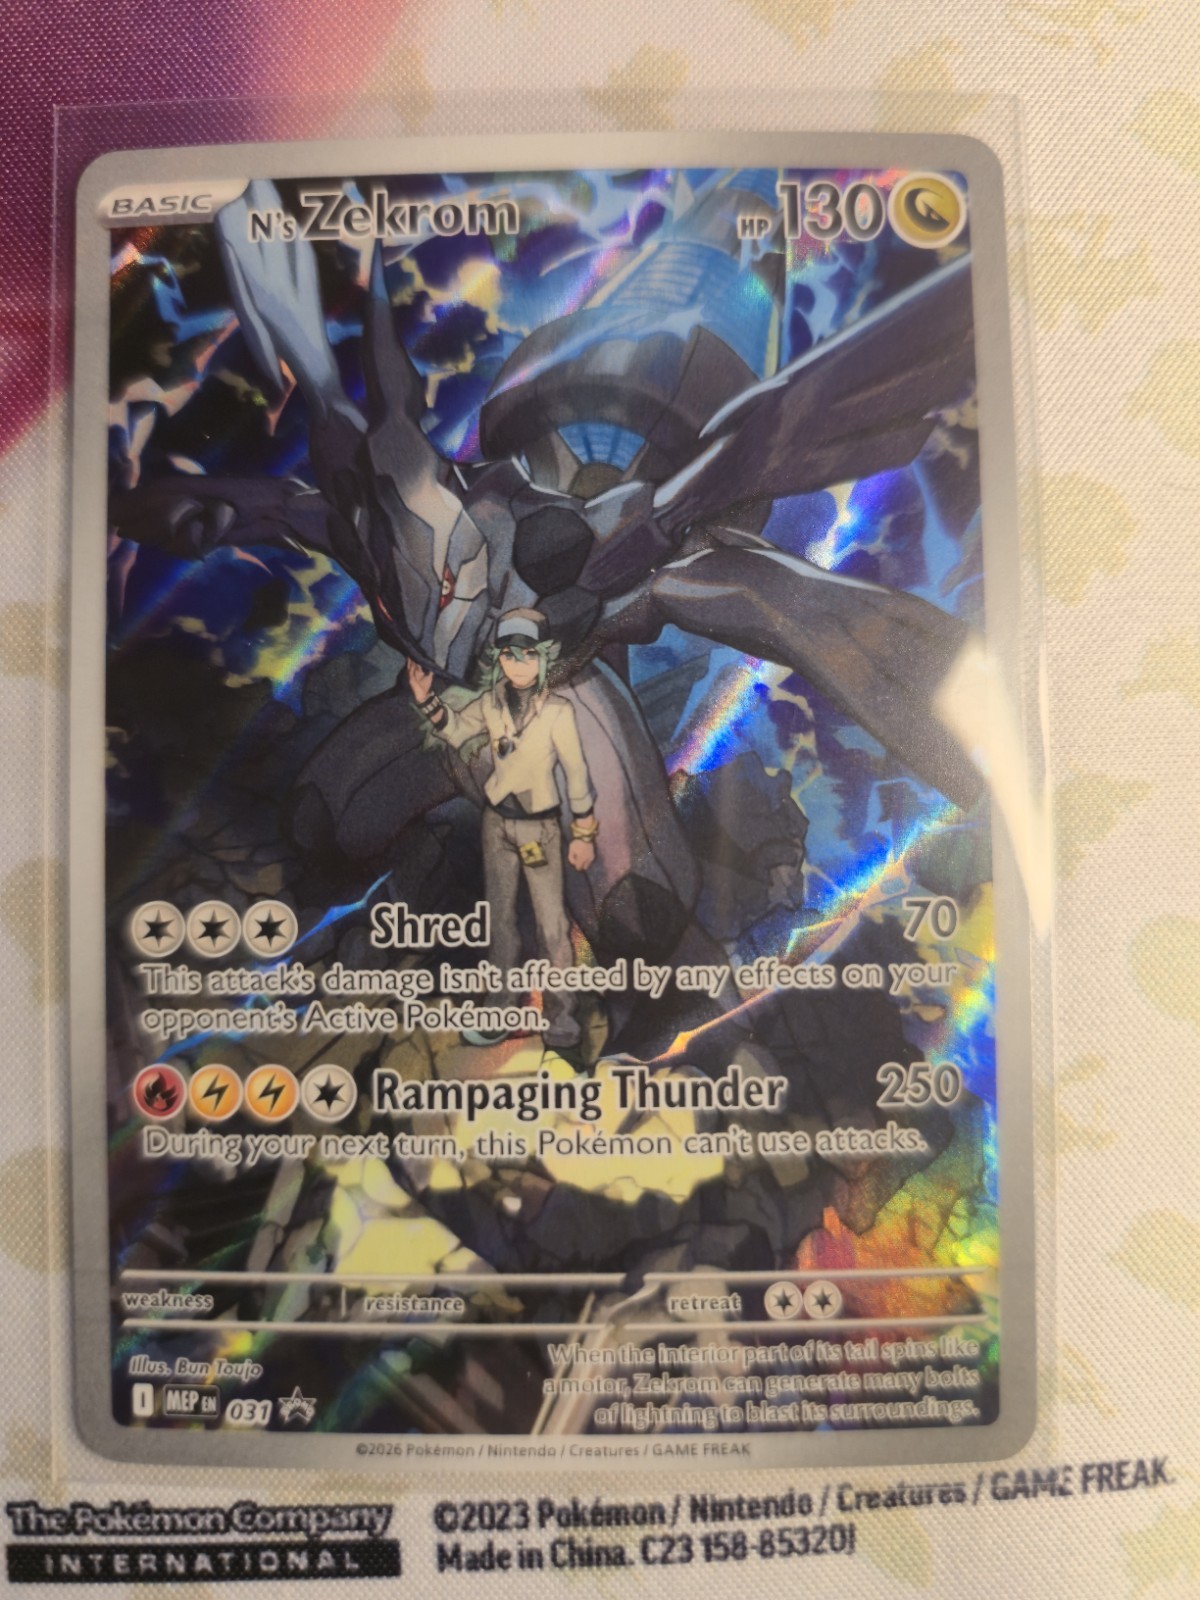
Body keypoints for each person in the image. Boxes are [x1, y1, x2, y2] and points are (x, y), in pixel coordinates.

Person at [406, 609, 598, 1050]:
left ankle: (561, 1020)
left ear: (543, 657)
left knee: (551, 927)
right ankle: (499, 1009)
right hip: (496, 825)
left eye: (527, 655)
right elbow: (458, 730)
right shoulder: (490, 702)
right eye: (509, 655)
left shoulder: (558, 711)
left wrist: (585, 833)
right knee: (500, 923)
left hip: (539, 830)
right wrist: (426, 699)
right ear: (500, 659)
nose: (518, 664)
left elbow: (576, 773)